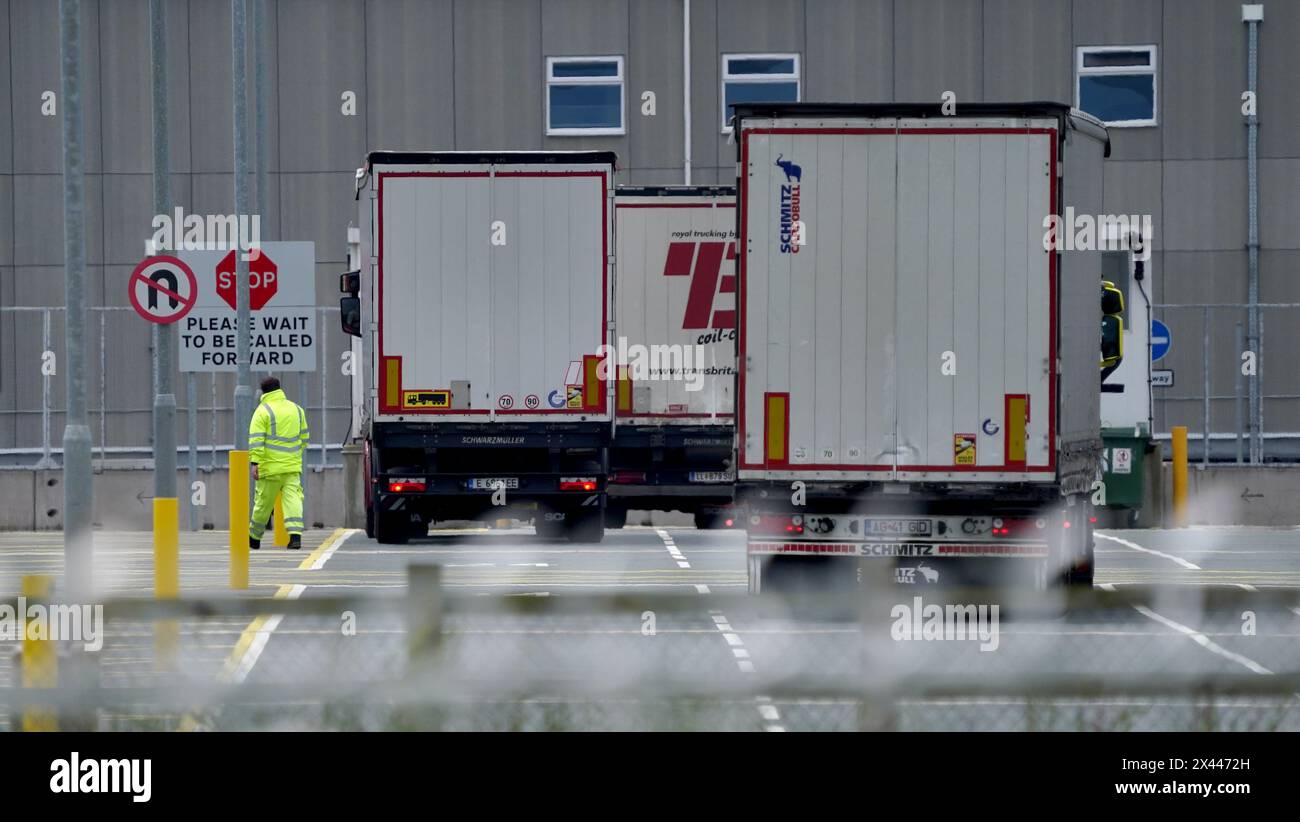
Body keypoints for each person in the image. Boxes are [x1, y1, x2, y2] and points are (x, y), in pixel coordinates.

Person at [247, 376, 310, 550]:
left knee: (263, 504)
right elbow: (305, 438)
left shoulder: (262, 411)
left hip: (270, 468)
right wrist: (293, 454)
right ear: (279, 388)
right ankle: (295, 536)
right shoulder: (297, 409)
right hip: (291, 466)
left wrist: (255, 463)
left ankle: (254, 538)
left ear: (263, 392)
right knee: (293, 500)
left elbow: (256, 440)